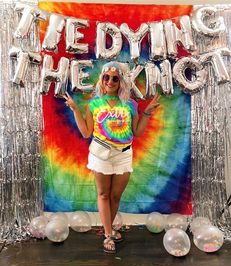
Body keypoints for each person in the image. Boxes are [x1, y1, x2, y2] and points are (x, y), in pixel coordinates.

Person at [63, 61, 160, 254]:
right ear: (101, 80)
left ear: (121, 81)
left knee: (116, 196)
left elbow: (137, 132)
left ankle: (108, 228)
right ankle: (108, 234)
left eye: (115, 78)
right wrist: (75, 109)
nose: (110, 81)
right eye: (106, 77)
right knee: (104, 194)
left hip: (123, 155)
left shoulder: (130, 104)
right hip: (101, 154)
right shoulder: (93, 104)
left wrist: (147, 112)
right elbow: (86, 132)